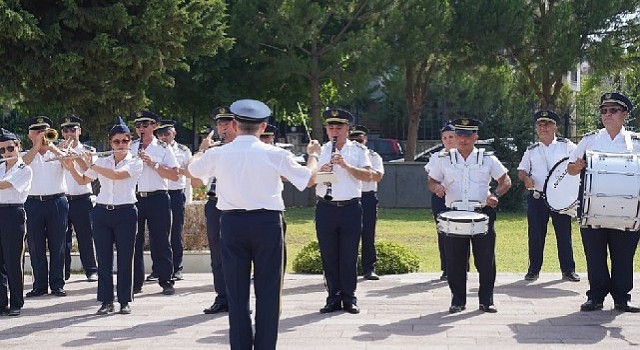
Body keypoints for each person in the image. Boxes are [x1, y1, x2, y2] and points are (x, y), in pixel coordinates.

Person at [188, 99, 320, 350]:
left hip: (232, 223)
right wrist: (313, 155)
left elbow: (193, 172)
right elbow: (309, 179)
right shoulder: (275, 153)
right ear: (262, 126)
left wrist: (202, 148)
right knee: (268, 292)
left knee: (237, 295)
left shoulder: (218, 152)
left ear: (235, 125)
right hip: (266, 223)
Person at [427, 118, 512, 314]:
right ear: (455, 138)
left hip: (481, 212)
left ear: (476, 137)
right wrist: (436, 188)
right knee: (455, 260)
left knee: (485, 259)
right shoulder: (444, 159)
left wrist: (495, 195)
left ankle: (486, 300)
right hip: (454, 213)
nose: (463, 140)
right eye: (459, 136)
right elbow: (431, 180)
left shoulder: (488, 159)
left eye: (467, 136)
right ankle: (457, 300)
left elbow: (505, 180)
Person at [567, 92, 640, 313]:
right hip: (593, 210)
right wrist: (576, 167)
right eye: (604, 111)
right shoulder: (590, 139)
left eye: (613, 110)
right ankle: (596, 297)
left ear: (624, 114)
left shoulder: (636, 142)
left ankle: (621, 298)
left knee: (623, 256)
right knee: (595, 255)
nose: (607, 115)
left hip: (628, 211)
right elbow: (570, 168)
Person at [62, 117, 143, 314]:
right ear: (110, 142)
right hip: (102, 213)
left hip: (126, 212)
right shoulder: (103, 161)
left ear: (130, 142)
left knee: (125, 258)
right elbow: (82, 180)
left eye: (125, 141)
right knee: (104, 260)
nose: (121, 145)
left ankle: (124, 300)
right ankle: (106, 301)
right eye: (116, 142)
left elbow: (116, 175)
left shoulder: (135, 162)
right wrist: (70, 164)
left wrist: (91, 163)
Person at [315, 108, 373, 314]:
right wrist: (319, 172)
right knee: (328, 255)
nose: (334, 131)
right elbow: (309, 180)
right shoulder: (320, 149)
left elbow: (369, 176)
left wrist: (346, 166)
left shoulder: (358, 150)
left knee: (348, 255)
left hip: (350, 208)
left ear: (347, 129)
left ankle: (349, 297)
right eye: (331, 127)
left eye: (339, 127)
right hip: (326, 207)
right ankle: (333, 297)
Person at [517, 110, 580, 282]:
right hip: (538, 196)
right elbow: (521, 170)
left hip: (560, 197)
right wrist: (525, 178)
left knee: (564, 234)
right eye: (540, 124)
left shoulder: (567, 146)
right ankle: (533, 270)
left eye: (547, 124)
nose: (543, 127)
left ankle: (568, 270)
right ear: (537, 128)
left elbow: (579, 162)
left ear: (555, 127)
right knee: (536, 234)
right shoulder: (531, 150)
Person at [130, 111, 179, 296]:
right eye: (138, 126)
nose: (141, 129)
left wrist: (153, 164)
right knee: (135, 240)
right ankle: (135, 282)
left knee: (161, 240)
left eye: (145, 125)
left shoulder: (164, 148)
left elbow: (174, 175)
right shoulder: (131, 147)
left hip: (158, 197)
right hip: (135, 197)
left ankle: (166, 280)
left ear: (154, 126)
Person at [23, 116, 70, 297]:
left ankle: (57, 284)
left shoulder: (56, 152)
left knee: (58, 245)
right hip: (33, 202)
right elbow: (23, 164)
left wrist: (52, 147)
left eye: (45, 131)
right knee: (35, 245)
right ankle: (40, 285)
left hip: (56, 201)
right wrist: (36, 146)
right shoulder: (25, 154)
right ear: (29, 135)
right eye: (37, 131)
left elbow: (68, 163)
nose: (41, 134)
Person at [199, 106, 238, 315]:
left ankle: (237, 298)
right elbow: (197, 179)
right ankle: (222, 296)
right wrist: (204, 151)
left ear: (236, 125)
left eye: (226, 123)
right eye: (220, 124)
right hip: (214, 203)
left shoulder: (242, 149)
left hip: (234, 204)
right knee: (217, 254)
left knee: (236, 254)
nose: (223, 128)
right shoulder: (213, 150)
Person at [59, 115, 99, 282]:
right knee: (62, 239)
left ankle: (91, 270)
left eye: (73, 130)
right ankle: (64, 272)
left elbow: (90, 172)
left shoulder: (89, 150)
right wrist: (61, 152)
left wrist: (76, 156)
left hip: (82, 198)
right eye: (66, 130)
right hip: (63, 198)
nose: (70, 134)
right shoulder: (57, 150)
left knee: (86, 237)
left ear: (79, 131)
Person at [0, 128, 32, 316]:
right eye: (2, 150)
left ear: (18, 147)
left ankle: (16, 302)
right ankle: (1, 301)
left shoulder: (23, 168)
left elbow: (6, 184)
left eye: (10, 148)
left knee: (13, 260)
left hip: (13, 213)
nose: (6, 153)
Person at [155, 119, 192, 281]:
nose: (163, 137)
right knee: (159, 233)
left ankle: (177, 267)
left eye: (167, 133)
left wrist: (188, 197)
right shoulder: (154, 149)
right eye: (160, 133)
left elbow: (189, 173)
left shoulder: (183, 150)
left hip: (176, 193)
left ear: (174, 133)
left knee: (176, 232)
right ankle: (158, 268)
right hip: (159, 194)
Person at [349, 125, 384, 280]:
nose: (357, 143)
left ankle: (369, 268)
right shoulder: (346, 156)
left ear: (365, 140)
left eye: (360, 140)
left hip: (367, 196)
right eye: (353, 140)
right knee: (349, 235)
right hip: (350, 197)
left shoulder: (373, 156)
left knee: (368, 233)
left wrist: (364, 171)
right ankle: (350, 268)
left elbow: (378, 176)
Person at [425, 121, 456, 281]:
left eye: (451, 136)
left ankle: (462, 267)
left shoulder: (463, 155)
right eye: (445, 138)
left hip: (458, 199)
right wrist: (436, 187)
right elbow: (431, 180)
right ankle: (446, 268)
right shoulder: (436, 156)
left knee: (459, 232)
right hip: (440, 198)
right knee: (443, 232)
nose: (448, 140)